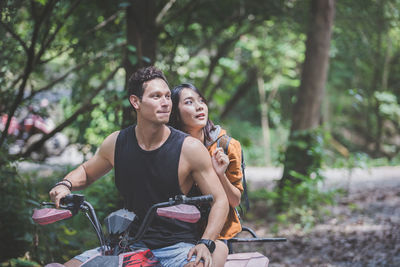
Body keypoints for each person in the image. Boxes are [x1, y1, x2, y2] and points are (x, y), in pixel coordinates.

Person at [49, 67, 229, 267]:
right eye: (156, 96)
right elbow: (86, 172)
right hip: (129, 245)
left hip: (178, 248)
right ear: (136, 102)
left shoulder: (189, 148)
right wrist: (65, 184)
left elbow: (220, 200)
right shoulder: (117, 142)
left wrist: (205, 242)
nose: (165, 103)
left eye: (168, 96)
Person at [169, 83, 244, 267]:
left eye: (201, 101)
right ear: (176, 114)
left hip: (217, 236)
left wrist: (220, 174)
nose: (199, 106)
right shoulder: (169, 148)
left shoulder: (226, 146)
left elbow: (235, 201)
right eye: (189, 102)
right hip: (178, 235)